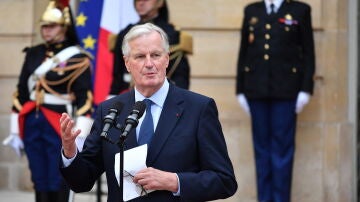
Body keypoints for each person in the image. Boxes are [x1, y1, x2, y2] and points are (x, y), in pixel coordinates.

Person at [60, 23, 237, 202]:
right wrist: (70, 152)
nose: (149, 63)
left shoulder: (198, 108)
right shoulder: (109, 110)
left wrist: (175, 181)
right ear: (127, 63)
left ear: (167, 59)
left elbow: (224, 180)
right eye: (140, 56)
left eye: (156, 55)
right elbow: (82, 182)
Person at [2, 1, 93, 202]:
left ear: (64, 28)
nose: (46, 31)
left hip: (58, 123)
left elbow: (84, 99)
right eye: (44, 26)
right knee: (39, 176)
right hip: (33, 122)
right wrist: (16, 128)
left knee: (59, 176)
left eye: (51, 26)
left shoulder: (77, 58)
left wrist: (79, 135)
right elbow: (21, 93)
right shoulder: (33, 53)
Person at [235, 0, 315, 201]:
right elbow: (244, 51)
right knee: (261, 151)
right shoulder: (252, 10)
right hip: (256, 90)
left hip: (286, 91)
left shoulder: (299, 10)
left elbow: (308, 53)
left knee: (281, 152)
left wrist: (306, 89)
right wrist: (240, 89)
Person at [109, 0, 192, 97]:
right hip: (130, 97)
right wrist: (113, 96)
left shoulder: (172, 33)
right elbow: (118, 73)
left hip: (165, 97)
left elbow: (180, 75)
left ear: (160, 3)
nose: (140, 3)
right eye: (137, 0)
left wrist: (178, 99)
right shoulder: (125, 33)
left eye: (146, 0)